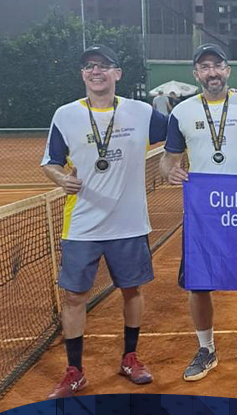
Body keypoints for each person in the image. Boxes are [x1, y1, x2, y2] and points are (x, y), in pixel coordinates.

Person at [42, 44, 168, 398]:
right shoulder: (65, 115)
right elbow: (51, 161)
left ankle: (130, 358)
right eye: (88, 66)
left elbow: (179, 133)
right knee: (74, 297)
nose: (95, 71)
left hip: (129, 224)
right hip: (82, 225)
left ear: (117, 73)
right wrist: (60, 178)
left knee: (132, 290)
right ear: (82, 74)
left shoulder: (141, 112)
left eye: (103, 65)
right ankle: (75, 371)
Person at [160, 43, 237, 381]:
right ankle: (206, 349)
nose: (212, 72)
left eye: (217, 65)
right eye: (204, 67)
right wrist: (169, 171)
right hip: (203, 215)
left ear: (228, 70)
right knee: (199, 285)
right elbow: (169, 158)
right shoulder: (181, 112)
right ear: (196, 74)